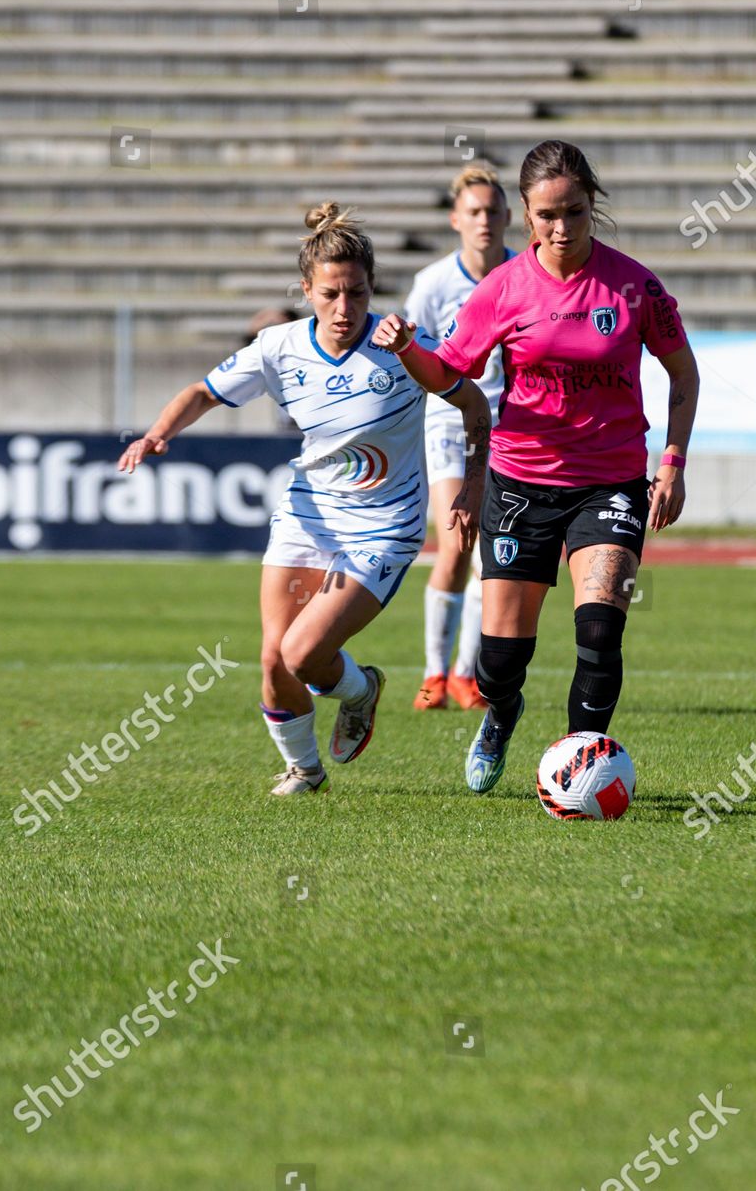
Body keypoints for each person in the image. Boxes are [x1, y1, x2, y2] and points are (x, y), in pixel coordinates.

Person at [118, 204, 490, 798]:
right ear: (306, 290)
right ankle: (305, 771)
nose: (345, 309)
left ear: (373, 289)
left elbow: (474, 405)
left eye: (358, 293)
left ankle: (362, 690)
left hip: (382, 528)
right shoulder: (279, 346)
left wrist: (472, 484)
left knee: (303, 651)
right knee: (272, 659)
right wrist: (159, 432)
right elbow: (203, 392)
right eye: (331, 294)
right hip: (307, 515)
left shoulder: (403, 347)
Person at [374, 140, 699, 794]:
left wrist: (672, 462)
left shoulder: (635, 285)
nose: (560, 228)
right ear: (526, 212)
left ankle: (583, 767)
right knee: (498, 664)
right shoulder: (503, 289)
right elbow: (449, 371)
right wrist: (409, 350)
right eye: (547, 215)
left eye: (574, 213)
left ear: (592, 206)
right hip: (520, 483)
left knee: (602, 629)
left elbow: (682, 371)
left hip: (609, 482)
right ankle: (500, 714)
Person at [403, 162, 515, 712]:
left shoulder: (525, 275)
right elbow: (409, 358)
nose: (485, 220)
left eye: (493, 210)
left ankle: (467, 676)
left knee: (490, 556)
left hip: (511, 429)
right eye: (474, 211)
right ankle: (433, 674)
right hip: (450, 424)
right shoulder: (433, 284)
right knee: (453, 545)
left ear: (509, 216)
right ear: (455, 219)